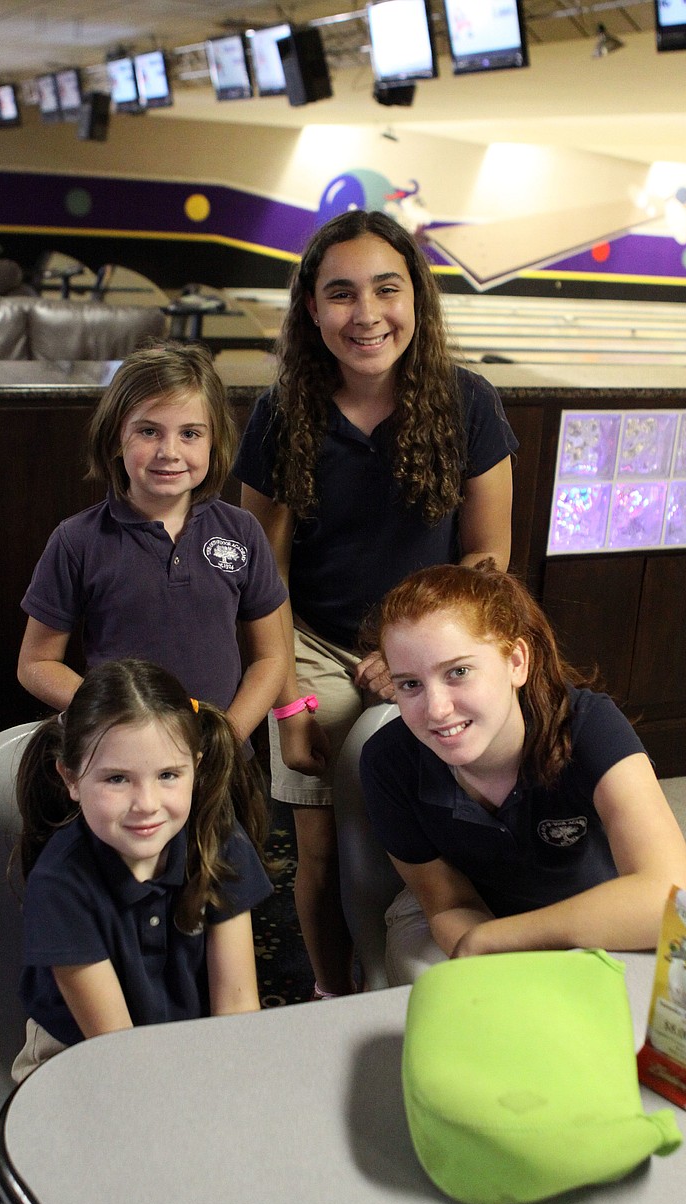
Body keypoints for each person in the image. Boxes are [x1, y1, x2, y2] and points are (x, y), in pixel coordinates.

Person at [234, 209, 518, 998]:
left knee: (419, 825)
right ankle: (333, 991)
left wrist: (411, 653)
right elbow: (265, 581)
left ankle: (415, 967)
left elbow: (486, 563)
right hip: (316, 644)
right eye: (341, 294)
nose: (366, 315)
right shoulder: (283, 414)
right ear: (311, 310)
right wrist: (287, 708)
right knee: (321, 848)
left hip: (427, 639)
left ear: (417, 302)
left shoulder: (467, 402)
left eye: (386, 289)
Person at [359, 562, 686, 986]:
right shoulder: (388, 762)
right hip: (474, 920)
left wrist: (500, 939)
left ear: (516, 662)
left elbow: (671, 899)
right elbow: (447, 903)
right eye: (410, 684)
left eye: (458, 672)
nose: (437, 709)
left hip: (594, 915)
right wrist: (493, 955)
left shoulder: (590, 727)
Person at [10, 658, 273, 1082]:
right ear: (71, 778)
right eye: (117, 779)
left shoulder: (220, 842)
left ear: (196, 768)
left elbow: (238, 1011)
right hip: (82, 1060)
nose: (146, 804)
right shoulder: (59, 885)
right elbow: (119, 1052)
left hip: (190, 1043)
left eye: (168, 774)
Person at [17, 340, 287, 748]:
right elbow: (36, 663)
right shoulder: (77, 541)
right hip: (118, 751)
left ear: (214, 444)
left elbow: (271, 657)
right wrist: (113, 713)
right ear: (114, 439)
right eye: (148, 431)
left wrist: (227, 736)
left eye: (190, 434)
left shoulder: (242, 531)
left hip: (219, 760)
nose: (169, 452)